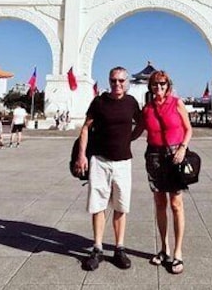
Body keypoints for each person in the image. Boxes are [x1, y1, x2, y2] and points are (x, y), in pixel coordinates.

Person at [74, 66, 142, 271]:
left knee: (121, 206)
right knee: (98, 205)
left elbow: (141, 124)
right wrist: (81, 155)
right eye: (114, 80)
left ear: (127, 82)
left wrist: (129, 139)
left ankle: (119, 248)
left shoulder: (131, 102)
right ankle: (97, 248)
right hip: (100, 161)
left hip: (123, 162)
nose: (117, 84)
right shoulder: (99, 101)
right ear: (109, 81)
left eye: (121, 80)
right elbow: (85, 128)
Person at [138, 70, 192, 275]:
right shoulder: (147, 108)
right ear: (150, 87)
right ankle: (164, 248)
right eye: (154, 84)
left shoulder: (177, 103)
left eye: (162, 84)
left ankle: (178, 252)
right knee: (160, 203)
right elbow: (136, 130)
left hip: (175, 154)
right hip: (154, 155)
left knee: (176, 204)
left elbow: (188, 129)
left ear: (168, 85)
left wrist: (183, 148)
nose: (158, 88)